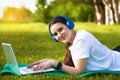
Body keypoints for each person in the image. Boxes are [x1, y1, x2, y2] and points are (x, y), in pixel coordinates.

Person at [28, 16, 120, 75]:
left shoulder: (81, 41)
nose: (59, 35)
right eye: (55, 34)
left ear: (69, 25)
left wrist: (54, 63)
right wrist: (47, 61)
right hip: (113, 54)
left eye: (60, 29)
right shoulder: (74, 39)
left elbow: (78, 71)